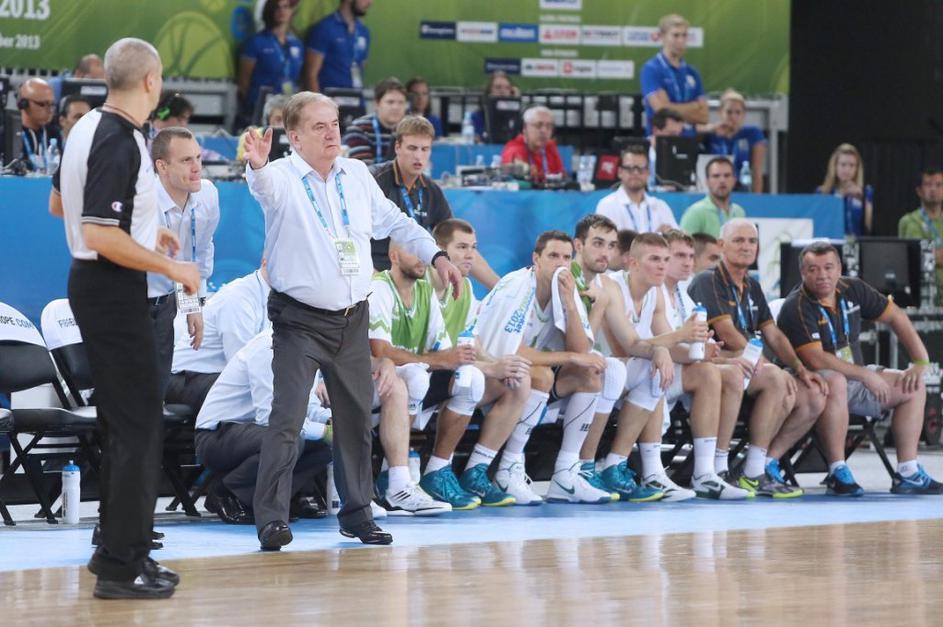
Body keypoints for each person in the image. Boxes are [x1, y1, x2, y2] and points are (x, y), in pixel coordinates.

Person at [241, 91, 462, 549]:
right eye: (319, 127)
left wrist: (437, 255)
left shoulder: (357, 175)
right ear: (294, 137)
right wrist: (258, 166)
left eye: (335, 124)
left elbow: (398, 223)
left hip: (351, 318)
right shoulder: (280, 176)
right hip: (299, 319)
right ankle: (271, 520)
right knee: (287, 418)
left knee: (356, 419)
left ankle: (358, 514)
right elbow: (263, 188)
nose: (331, 134)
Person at [54, 37, 198, 599]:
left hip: (95, 283)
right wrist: (170, 266)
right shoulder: (121, 138)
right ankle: (121, 567)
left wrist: (142, 231)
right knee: (139, 426)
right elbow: (97, 233)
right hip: (113, 289)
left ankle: (116, 550)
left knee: (123, 424)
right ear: (151, 82)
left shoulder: (85, 126)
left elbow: (61, 206)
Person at [778, 241, 943, 495]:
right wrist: (866, 374)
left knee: (912, 385)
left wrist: (921, 361)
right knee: (835, 381)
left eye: (828, 267)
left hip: (854, 379)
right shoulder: (796, 306)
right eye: (813, 269)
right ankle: (837, 470)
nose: (822, 275)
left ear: (839, 269)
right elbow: (816, 359)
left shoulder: (852, 288)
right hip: (814, 386)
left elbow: (896, 315)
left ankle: (908, 472)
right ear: (802, 273)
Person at [368, 244, 524, 510]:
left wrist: (485, 367)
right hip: (376, 380)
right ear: (393, 256)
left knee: (470, 379)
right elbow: (381, 352)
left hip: (413, 378)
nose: (422, 258)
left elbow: (446, 352)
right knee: (416, 376)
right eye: (413, 252)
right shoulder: (380, 288)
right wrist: (440, 360)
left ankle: (437, 471)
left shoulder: (424, 291)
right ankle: (392, 475)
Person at [688, 218, 830, 498]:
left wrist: (799, 368)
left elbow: (772, 333)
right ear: (721, 245)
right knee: (776, 380)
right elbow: (727, 333)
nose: (746, 246)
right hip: (714, 362)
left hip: (746, 366)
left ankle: (759, 466)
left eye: (752, 241)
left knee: (808, 392)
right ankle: (741, 471)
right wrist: (766, 365)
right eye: (738, 240)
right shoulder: (708, 280)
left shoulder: (751, 285)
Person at [475, 231, 612, 504]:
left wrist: (570, 304)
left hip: (522, 377)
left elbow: (580, 350)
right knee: (541, 375)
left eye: (566, 257)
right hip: (488, 371)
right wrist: (570, 358)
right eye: (553, 256)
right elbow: (510, 352)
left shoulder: (564, 288)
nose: (560, 263)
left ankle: (566, 474)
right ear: (536, 259)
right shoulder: (517, 286)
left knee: (589, 374)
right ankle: (508, 469)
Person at [424, 220, 534, 506]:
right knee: (470, 379)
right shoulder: (423, 285)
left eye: (473, 248)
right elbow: (438, 355)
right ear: (439, 250)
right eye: (461, 247)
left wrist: (498, 364)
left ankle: (477, 470)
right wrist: (490, 368)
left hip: (442, 374)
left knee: (518, 378)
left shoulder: (464, 288)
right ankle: (435, 471)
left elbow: (470, 341)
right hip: (416, 373)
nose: (470, 255)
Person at [568, 217, 675, 502]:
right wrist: (676, 339)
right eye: (598, 243)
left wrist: (660, 350)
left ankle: (614, 465)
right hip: (567, 369)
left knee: (653, 370)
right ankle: (584, 467)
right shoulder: (572, 279)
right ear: (578, 245)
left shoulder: (604, 284)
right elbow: (613, 346)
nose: (605, 252)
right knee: (613, 368)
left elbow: (632, 344)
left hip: (592, 369)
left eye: (611, 245)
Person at [195, 329, 333, 525]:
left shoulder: (306, 348)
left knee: (325, 446)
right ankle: (226, 493)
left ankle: (279, 498)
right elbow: (270, 418)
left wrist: (332, 421)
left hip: (250, 432)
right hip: (217, 436)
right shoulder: (267, 348)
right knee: (288, 440)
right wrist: (324, 431)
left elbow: (308, 404)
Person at [656, 229, 752, 499]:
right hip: (655, 370)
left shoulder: (683, 295)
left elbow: (695, 349)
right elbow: (663, 346)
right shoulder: (655, 291)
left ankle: (717, 466)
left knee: (733, 374)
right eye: (679, 256)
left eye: (690, 256)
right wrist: (703, 354)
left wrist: (717, 354)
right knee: (709, 372)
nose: (687, 262)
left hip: (679, 370)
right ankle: (702, 473)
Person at [370, 116, 500, 288]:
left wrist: (500, 289)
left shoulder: (431, 190)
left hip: (415, 280)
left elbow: (457, 243)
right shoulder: (374, 181)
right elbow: (351, 237)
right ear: (397, 147)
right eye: (412, 148)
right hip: (375, 277)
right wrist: (375, 284)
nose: (418, 156)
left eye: (425, 149)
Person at [147, 127, 220, 397]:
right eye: (186, 160)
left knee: (156, 392)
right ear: (162, 166)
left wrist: (193, 305)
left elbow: (198, 254)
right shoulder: (142, 200)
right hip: (127, 302)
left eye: (198, 158)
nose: (197, 167)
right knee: (129, 393)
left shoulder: (208, 194)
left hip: (165, 303)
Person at [167, 266, 272, 412]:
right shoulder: (239, 297)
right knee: (251, 397)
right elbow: (240, 364)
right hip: (186, 376)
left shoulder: (277, 300)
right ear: (265, 262)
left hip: (217, 375)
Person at [237, 0, 304, 126]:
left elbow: (299, 78)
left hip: (288, 107)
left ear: (292, 11)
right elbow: (243, 82)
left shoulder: (296, 44)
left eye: (286, 7)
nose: (282, 11)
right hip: (261, 108)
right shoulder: (256, 42)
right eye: (277, 7)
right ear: (269, 11)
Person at [639, 13, 707, 136]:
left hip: (689, 140)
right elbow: (662, 111)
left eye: (684, 35)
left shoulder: (693, 73)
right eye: (675, 35)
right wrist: (693, 106)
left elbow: (703, 116)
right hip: (662, 139)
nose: (681, 40)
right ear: (663, 36)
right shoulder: (651, 69)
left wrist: (670, 106)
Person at [595, 145, 679, 233]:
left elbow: (678, 239)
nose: (635, 173)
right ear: (620, 172)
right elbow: (607, 240)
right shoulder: (607, 205)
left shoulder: (660, 206)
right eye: (629, 168)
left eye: (641, 169)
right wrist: (656, 237)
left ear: (648, 172)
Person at [702, 89, 766, 193]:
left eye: (738, 112)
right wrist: (711, 128)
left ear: (744, 114)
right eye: (729, 112)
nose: (733, 117)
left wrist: (757, 198)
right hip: (715, 189)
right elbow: (689, 132)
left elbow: (757, 170)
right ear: (720, 112)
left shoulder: (753, 133)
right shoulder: (712, 134)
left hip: (742, 188)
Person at [303, 0, 372, 92]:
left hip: (356, 96)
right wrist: (318, 100)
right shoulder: (324, 28)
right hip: (330, 97)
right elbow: (311, 74)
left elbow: (362, 67)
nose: (370, 2)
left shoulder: (363, 31)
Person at [898, 168, 943, 305]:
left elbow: (924, 255)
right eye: (928, 184)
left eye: (938, 185)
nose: (933, 189)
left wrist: (929, 255)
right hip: (919, 297)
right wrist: (935, 256)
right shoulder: (909, 221)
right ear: (919, 191)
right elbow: (913, 258)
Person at [343, 77, 408, 166]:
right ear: (377, 104)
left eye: (401, 102)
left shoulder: (410, 130)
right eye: (390, 102)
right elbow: (363, 171)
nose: (396, 107)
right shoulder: (358, 129)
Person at [679, 157, 746, 237]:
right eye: (716, 176)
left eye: (727, 175)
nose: (722, 180)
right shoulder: (694, 213)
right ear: (707, 181)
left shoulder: (739, 212)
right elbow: (683, 244)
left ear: (734, 180)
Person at [500, 105, 566, 185]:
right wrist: (523, 170)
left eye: (549, 126)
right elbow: (507, 170)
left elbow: (561, 176)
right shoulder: (514, 147)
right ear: (525, 128)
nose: (544, 131)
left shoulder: (550, 147)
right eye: (538, 125)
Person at [817, 143, 873, 236]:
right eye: (843, 165)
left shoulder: (866, 192)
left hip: (858, 242)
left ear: (857, 168)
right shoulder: (823, 192)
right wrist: (839, 197)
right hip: (831, 241)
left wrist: (862, 198)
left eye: (852, 165)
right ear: (835, 166)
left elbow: (871, 225)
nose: (847, 170)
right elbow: (821, 223)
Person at [17, 78, 61, 172]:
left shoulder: (54, 133)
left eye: (52, 104)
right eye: (43, 104)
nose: (50, 110)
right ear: (23, 104)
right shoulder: (9, 134)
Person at [236, 94, 290, 162]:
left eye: (287, 120)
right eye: (278, 119)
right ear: (267, 120)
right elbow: (241, 164)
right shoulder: (249, 137)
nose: (283, 125)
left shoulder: (298, 137)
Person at [471, 71, 516, 142]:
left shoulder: (517, 116)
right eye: (498, 87)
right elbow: (476, 140)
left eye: (507, 88)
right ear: (490, 90)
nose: (503, 91)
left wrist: (517, 99)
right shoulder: (479, 115)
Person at [648, 108, 685, 190]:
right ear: (655, 130)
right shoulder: (638, 151)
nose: (676, 139)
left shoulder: (682, 152)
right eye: (672, 134)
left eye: (679, 134)